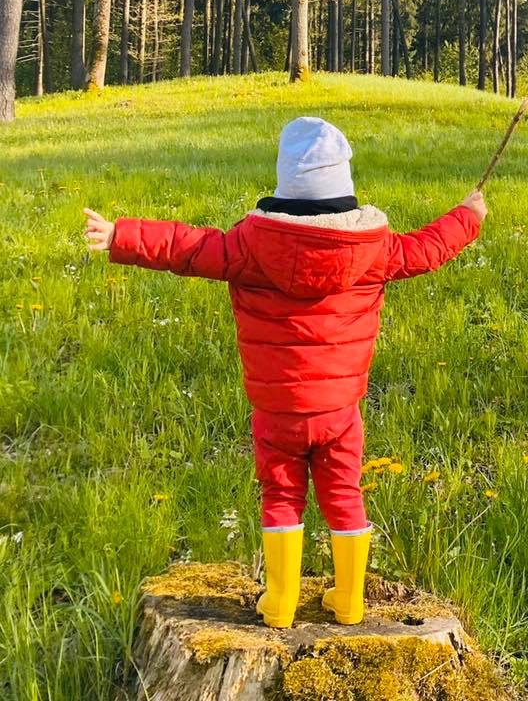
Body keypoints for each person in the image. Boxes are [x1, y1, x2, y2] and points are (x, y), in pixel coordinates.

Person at [82, 117, 486, 629]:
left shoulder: (248, 246)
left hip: (276, 414)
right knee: (344, 494)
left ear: (283, 185)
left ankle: (279, 602)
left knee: (280, 496)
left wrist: (121, 234)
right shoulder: (374, 248)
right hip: (340, 412)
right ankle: (351, 599)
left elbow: (183, 246)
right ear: (345, 187)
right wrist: (468, 215)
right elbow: (431, 247)